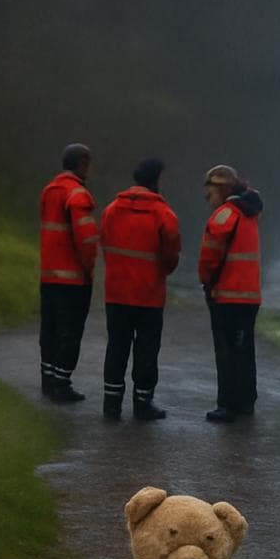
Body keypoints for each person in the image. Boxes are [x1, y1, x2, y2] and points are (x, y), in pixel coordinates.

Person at [100, 158, 180, 421]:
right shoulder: (164, 214)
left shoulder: (111, 210)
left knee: (116, 347)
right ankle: (143, 404)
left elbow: (105, 244)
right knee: (146, 350)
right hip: (149, 295)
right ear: (156, 180)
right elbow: (171, 256)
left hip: (116, 293)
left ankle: (111, 404)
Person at [197, 165, 264, 422]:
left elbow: (209, 257)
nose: (208, 197)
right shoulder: (250, 213)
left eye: (210, 191)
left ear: (222, 189)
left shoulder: (224, 215)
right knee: (244, 350)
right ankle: (246, 401)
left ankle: (225, 405)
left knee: (225, 352)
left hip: (226, 296)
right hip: (250, 296)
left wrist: (205, 281)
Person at [38, 143, 99, 402]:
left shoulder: (48, 191)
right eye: (88, 163)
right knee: (70, 332)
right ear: (82, 163)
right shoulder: (78, 195)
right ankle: (62, 384)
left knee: (49, 331)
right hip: (73, 280)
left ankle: (48, 379)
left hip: (48, 276)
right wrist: (89, 268)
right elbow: (86, 240)